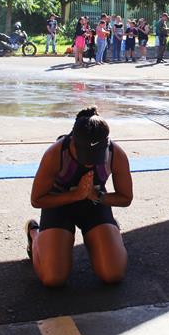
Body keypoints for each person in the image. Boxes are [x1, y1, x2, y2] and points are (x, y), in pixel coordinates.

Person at [25, 106, 133, 287]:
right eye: (85, 156)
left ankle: (110, 231)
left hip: (94, 204)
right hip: (59, 204)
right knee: (53, 278)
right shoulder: (55, 153)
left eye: (96, 156)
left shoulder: (116, 154)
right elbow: (37, 199)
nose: (90, 162)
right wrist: (76, 195)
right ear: (73, 142)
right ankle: (34, 233)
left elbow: (125, 198)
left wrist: (97, 196)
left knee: (113, 274)